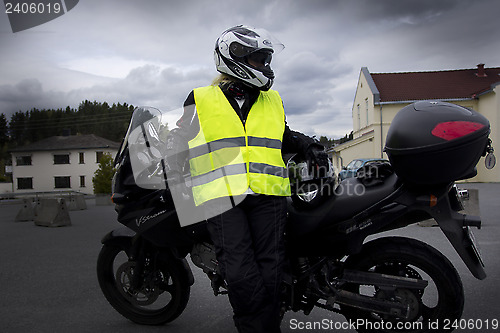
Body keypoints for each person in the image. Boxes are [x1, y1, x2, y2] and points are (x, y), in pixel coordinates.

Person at [165, 25, 329, 333]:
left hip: (268, 195)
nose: (267, 68)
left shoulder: (272, 100)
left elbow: (283, 136)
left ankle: (260, 327)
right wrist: (172, 170)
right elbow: (179, 136)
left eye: (268, 61)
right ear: (236, 57)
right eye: (260, 60)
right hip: (222, 197)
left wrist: (310, 146)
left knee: (271, 269)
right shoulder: (201, 98)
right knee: (239, 271)